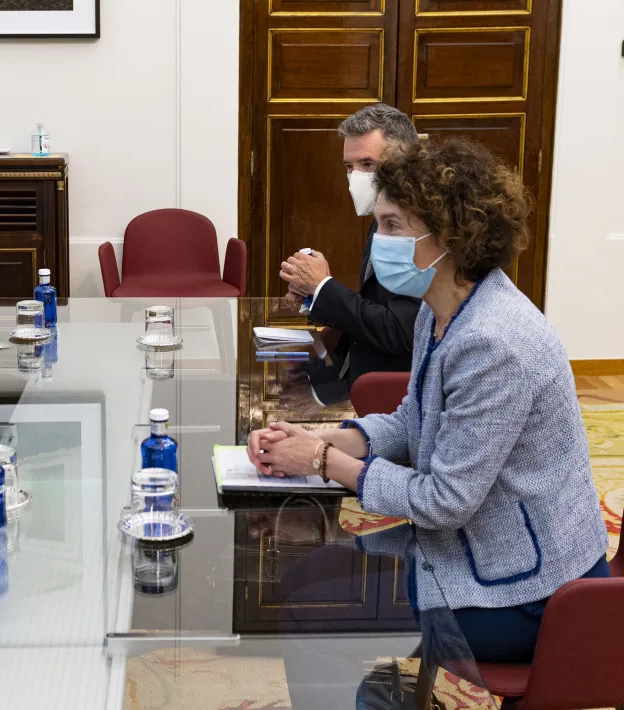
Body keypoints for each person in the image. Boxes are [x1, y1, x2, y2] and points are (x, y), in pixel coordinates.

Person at [248, 138, 608, 663]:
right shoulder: (438, 310)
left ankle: (374, 696)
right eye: (379, 224)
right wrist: (320, 438)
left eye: (393, 225)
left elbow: (443, 502)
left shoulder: (495, 342)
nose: (378, 240)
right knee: (303, 575)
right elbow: (412, 420)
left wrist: (323, 461)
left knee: (315, 606)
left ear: (451, 235)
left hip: (526, 588)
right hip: (471, 547)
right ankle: (378, 696)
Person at [279, 103, 422, 389]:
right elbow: (376, 304)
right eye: (349, 167)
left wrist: (323, 287)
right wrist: (315, 294)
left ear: (406, 163)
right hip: (355, 370)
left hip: (391, 388)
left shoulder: (419, 228)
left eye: (367, 165)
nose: (355, 177)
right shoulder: (383, 217)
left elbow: (399, 332)